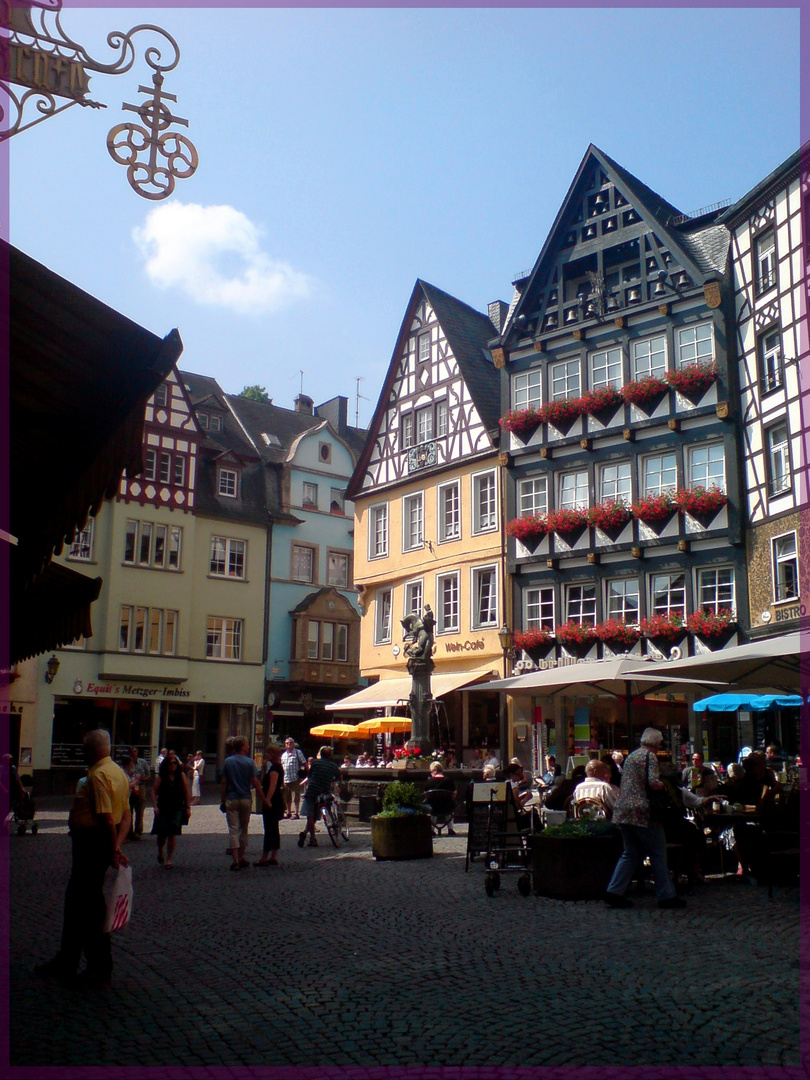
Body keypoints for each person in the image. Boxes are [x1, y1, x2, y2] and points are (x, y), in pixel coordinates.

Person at [35, 729, 130, 986]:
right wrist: (117, 845)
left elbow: (107, 817)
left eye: (84, 749)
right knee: (77, 904)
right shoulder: (119, 773)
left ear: (91, 751)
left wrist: (113, 849)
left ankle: (99, 964)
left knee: (88, 906)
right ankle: (68, 958)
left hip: (91, 844)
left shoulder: (98, 775)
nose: (83, 754)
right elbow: (127, 816)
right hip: (99, 844)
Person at [604, 727, 686, 910]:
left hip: (623, 810)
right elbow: (652, 783)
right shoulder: (650, 757)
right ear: (656, 743)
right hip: (643, 811)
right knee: (658, 852)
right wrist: (666, 786)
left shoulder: (631, 756)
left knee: (630, 853)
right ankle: (666, 896)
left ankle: (614, 891)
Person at [220, 736, 265, 871]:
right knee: (244, 829)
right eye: (246, 744)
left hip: (231, 798)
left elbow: (223, 782)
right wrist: (263, 798)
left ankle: (235, 860)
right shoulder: (250, 762)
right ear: (242, 747)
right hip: (245, 798)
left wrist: (223, 799)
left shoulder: (228, 762)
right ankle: (241, 857)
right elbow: (255, 782)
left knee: (233, 829)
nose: (248, 746)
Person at [151, 750, 191, 868]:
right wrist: (155, 806)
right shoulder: (162, 777)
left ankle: (169, 859)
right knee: (162, 834)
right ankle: (160, 850)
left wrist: (188, 807)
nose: (172, 766)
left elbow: (186, 792)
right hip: (163, 807)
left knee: (172, 833)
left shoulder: (181, 776)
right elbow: (153, 792)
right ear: (166, 766)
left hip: (177, 807)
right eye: (170, 764)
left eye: (174, 763)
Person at [297, 746, 342, 848]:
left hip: (312, 791)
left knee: (310, 816)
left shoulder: (315, 763)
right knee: (316, 815)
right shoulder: (333, 765)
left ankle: (312, 839)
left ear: (320, 754)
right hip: (324, 792)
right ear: (330, 755)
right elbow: (339, 777)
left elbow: (310, 775)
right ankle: (306, 833)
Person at [255, 742, 284, 867]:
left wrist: (267, 800)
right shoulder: (273, 767)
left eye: (268, 753)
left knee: (269, 829)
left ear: (273, 754)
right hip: (276, 800)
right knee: (274, 828)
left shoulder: (274, 769)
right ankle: (273, 855)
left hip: (273, 801)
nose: (265, 755)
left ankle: (265, 857)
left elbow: (272, 786)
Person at [124, 745, 150, 840]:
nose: (133, 754)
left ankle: (138, 832)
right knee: (128, 809)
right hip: (130, 787)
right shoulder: (127, 763)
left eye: (135, 752)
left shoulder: (142, 762)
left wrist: (141, 778)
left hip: (140, 787)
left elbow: (148, 775)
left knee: (140, 810)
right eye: (132, 752)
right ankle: (128, 831)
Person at [424, 760, 457, 834]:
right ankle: (450, 829)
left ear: (434, 771)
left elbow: (426, 795)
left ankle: (431, 829)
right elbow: (454, 795)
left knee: (431, 805)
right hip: (447, 808)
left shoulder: (429, 782)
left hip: (434, 809)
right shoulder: (449, 781)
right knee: (449, 804)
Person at [281, 737, 307, 820]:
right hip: (286, 778)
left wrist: (306, 773)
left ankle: (296, 813)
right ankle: (288, 812)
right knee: (287, 796)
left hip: (295, 777)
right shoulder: (284, 755)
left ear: (293, 744)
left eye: (290, 743)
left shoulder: (297, 752)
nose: (288, 744)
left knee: (296, 795)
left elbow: (304, 763)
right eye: (287, 743)